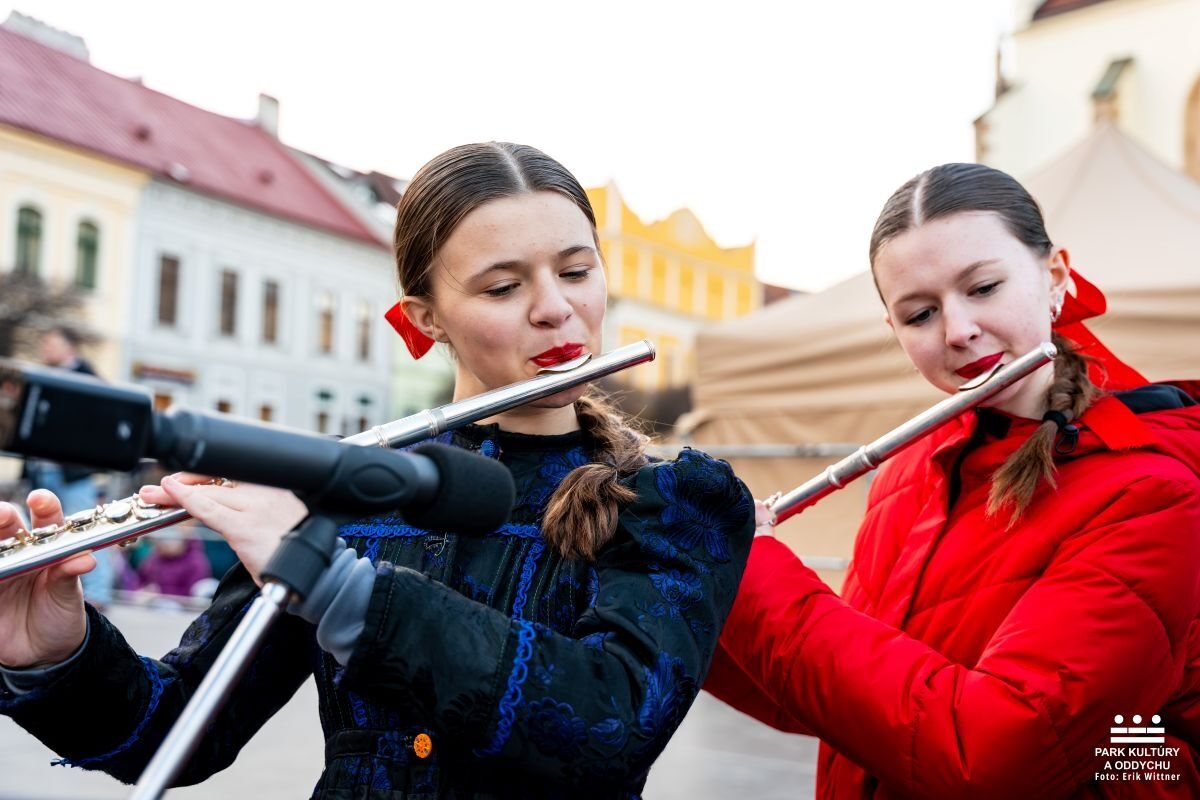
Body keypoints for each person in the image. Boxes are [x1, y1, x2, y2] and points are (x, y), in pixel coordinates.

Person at [0, 142, 755, 798]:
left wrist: (341, 587)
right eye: (503, 286)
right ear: (425, 318)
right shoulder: (345, 487)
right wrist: (57, 655)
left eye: (576, 271)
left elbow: (608, 728)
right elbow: (173, 733)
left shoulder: (676, 500)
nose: (556, 308)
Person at [705, 163, 1200, 798]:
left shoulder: (1152, 496)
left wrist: (760, 576)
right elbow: (851, 705)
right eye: (919, 314)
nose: (958, 330)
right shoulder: (908, 473)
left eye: (984, 287)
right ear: (895, 331)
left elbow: (992, 755)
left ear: (1056, 278)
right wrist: (694, 589)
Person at [21, 325, 117, 609]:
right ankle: (44, 592)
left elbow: (102, 425)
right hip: (42, 469)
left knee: (86, 529)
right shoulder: (42, 376)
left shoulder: (88, 380)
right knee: (42, 533)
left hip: (73, 472)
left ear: (70, 347)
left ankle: (98, 594)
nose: (45, 348)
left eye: (51, 342)